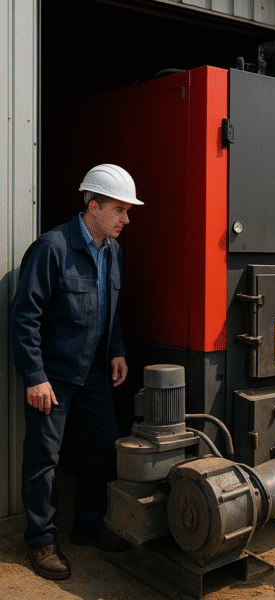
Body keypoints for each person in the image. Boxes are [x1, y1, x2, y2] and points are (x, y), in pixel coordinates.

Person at [10, 164, 144, 580]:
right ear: (93, 206)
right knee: (43, 460)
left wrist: (117, 351)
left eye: (127, 211)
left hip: (96, 376)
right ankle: (41, 540)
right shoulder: (52, 248)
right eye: (120, 210)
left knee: (102, 448)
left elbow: (110, 309)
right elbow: (24, 317)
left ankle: (88, 527)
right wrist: (34, 375)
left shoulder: (113, 251)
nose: (126, 219)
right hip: (55, 377)